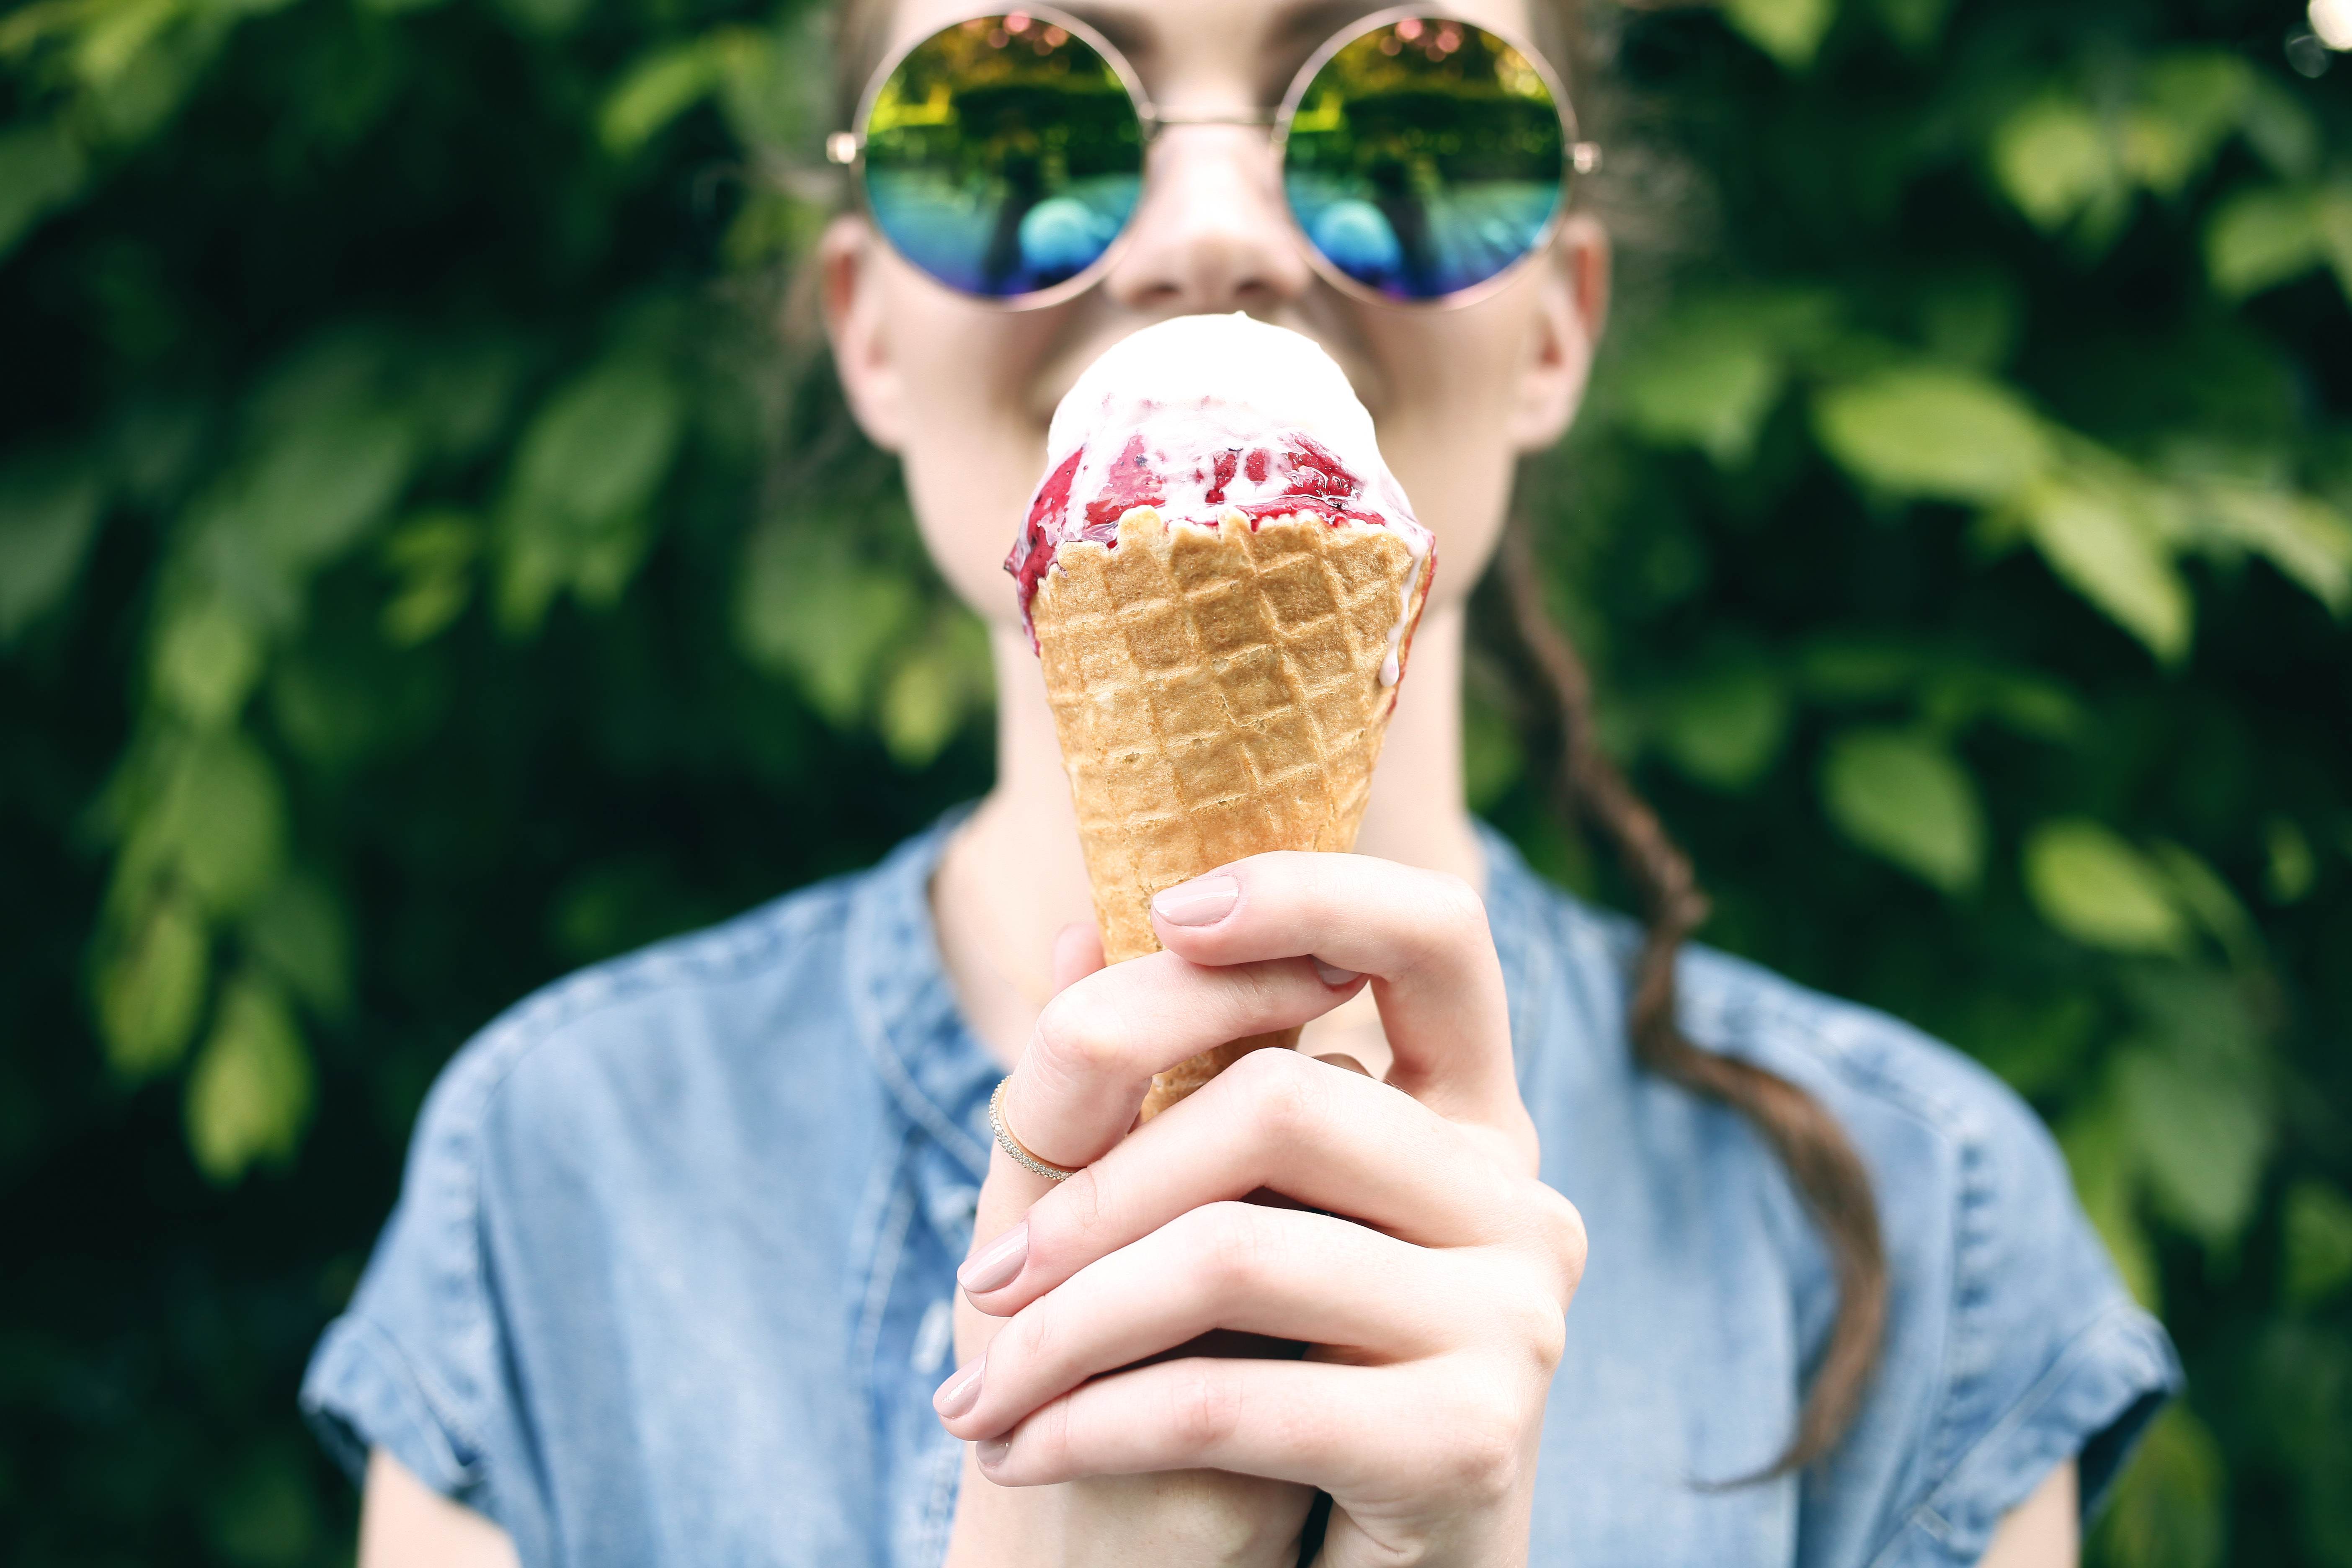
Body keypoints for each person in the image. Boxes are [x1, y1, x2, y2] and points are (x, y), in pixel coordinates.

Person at [301, 0, 2180, 1563]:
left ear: (1559, 322)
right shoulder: (561, 1179)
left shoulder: (1911, 1227)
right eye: (1021, 120)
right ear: (870, 324)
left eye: (1404, 115)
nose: (1216, 227)